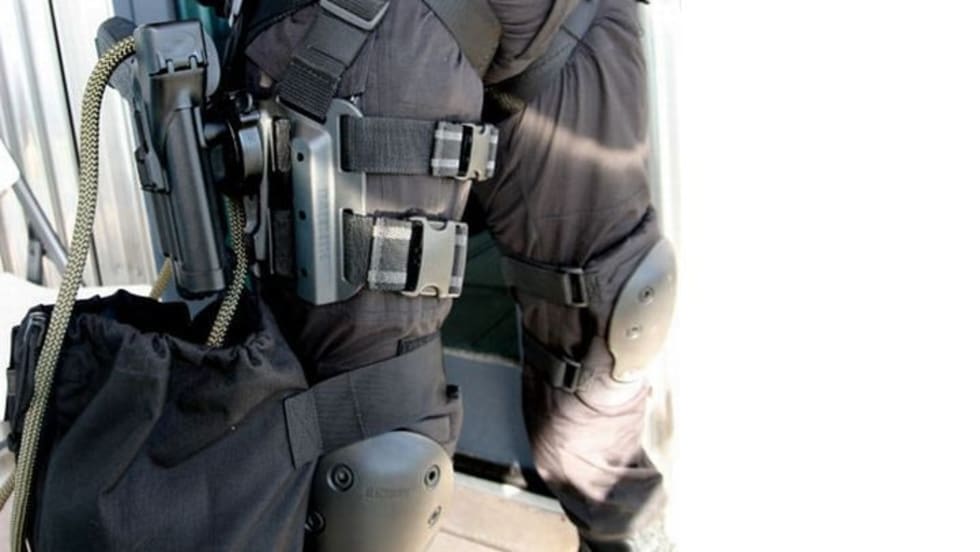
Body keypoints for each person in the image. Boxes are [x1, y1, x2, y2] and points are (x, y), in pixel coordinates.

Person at [242, 0, 674, 549]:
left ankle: (626, 530)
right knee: (368, 448)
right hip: (365, 19)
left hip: (566, 13)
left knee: (612, 313)